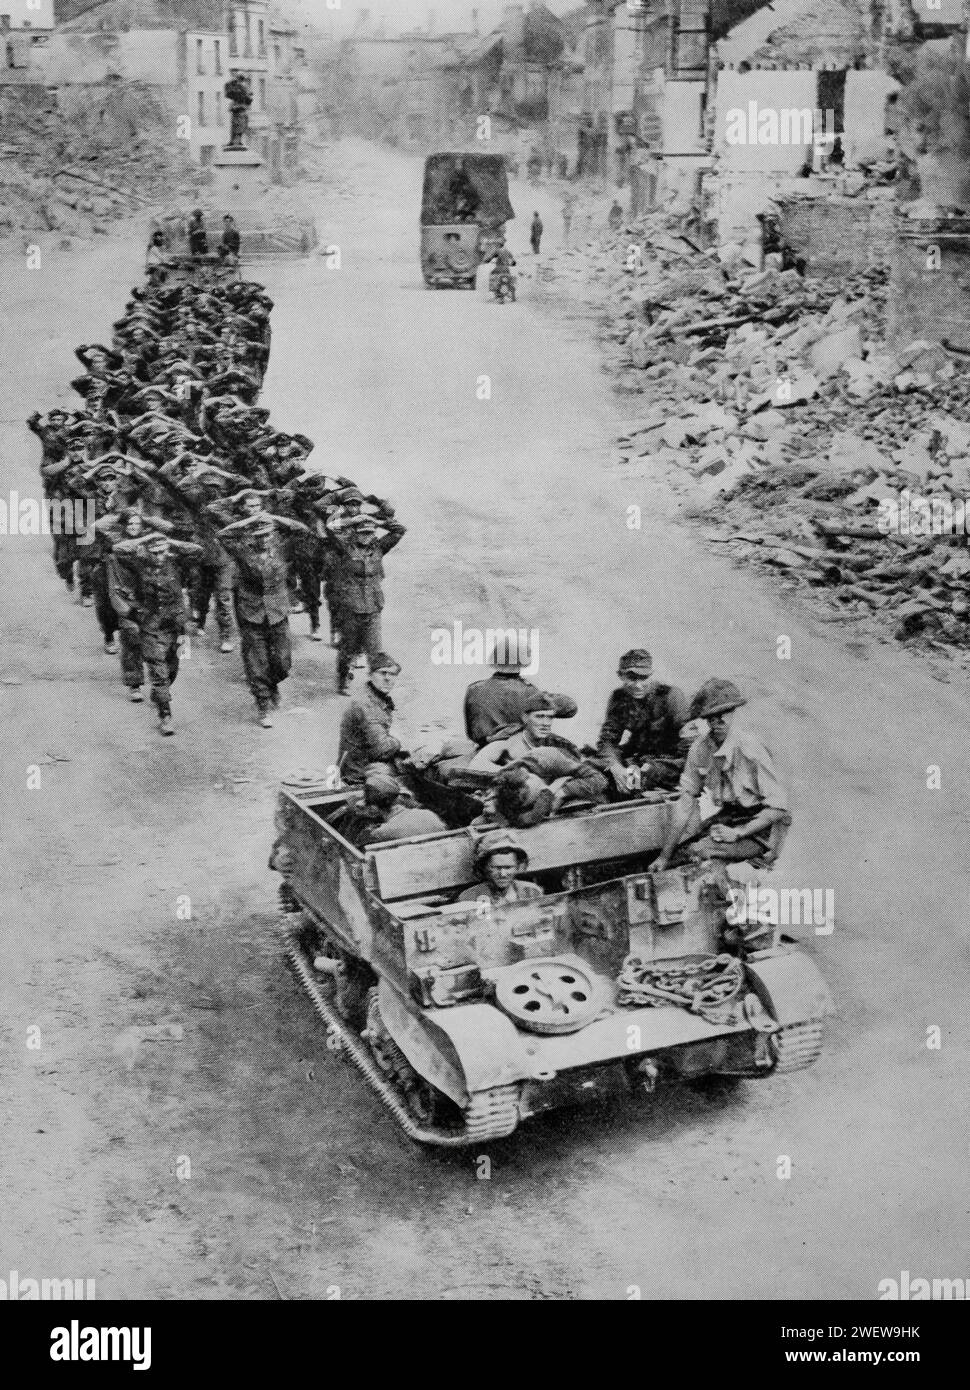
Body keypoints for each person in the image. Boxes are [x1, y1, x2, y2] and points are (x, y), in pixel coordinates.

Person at [653, 680, 792, 871]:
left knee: (697, 852)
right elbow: (684, 805)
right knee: (679, 851)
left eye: (722, 716)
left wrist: (737, 833)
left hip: (763, 829)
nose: (717, 723)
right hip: (730, 816)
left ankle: (733, 883)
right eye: (711, 718)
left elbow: (779, 809)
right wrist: (663, 856)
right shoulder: (700, 749)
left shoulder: (749, 749)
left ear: (732, 712)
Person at [111, 531, 202, 735]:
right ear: (148, 552)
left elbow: (197, 550)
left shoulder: (177, 563)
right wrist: (144, 540)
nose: (159, 556)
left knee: (174, 667)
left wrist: (171, 541)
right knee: (159, 672)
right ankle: (165, 715)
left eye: (162, 552)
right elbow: (118, 550)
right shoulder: (140, 564)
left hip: (178, 625)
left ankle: (160, 692)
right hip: (151, 625)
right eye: (154, 552)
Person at [217, 514, 301, 726]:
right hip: (252, 612)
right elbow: (223, 535)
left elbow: (301, 531)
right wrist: (246, 521)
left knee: (283, 662)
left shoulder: (282, 549)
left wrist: (273, 517)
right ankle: (263, 704)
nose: (263, 539)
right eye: (258, 535)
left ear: (272, 534)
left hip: (277, 611)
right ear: (252, 537)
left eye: (267, 534)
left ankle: (272, 684)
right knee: (256, 661)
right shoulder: (244, 552)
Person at [468, 691, 608, 815]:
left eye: (550, 717)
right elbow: (475, 766)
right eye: (539, 717)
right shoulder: (508, 743)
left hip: (551, 804)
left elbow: (586, 774)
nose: (546, 723)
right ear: (525, 718)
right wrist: (522, 777)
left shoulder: (559, 744)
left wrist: (562, 790)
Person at [327, 506, 406, 694]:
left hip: (373, 607)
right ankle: (343, 678)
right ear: (355, 532)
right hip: (351, 608)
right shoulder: (345, 546)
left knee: (375, 651)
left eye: (370, 533)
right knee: (348, 649)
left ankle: (377, 689)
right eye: (362, 533)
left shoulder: (379, 547)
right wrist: (355, 520)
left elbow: (399, 530)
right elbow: (331, 526)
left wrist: (378, 522)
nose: (366, 536)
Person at [596, 648, 690, 796]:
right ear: (620, 676)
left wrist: (659, 767)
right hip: (638, 761)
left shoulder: (670, 696)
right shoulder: (619, 698)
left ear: (651, 675)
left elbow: (689, 743)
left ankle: (633, 798)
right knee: (593, 768)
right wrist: (615, 766)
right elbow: (607, 741)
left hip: (669, 763)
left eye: (644, 678)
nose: (638, 685)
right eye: (632, 679)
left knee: (634, 781)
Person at [464, 637, 576, 747]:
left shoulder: (473, 689)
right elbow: (570, 708)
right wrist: (545, 697)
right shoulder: (529, 692)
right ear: (524, 660)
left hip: (483, 749)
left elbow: (473, 732)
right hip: (518, 748)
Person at [337, 652, 403, 785]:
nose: (387, 678)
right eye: (382, 673)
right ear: (370, 675)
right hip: (359, 776)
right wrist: (398, 740)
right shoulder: (367, 705)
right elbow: (382, 749)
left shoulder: (372, 694)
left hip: (360, 766)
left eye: (392, 674)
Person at [346, 771, 446, 847]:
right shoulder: (429, 815)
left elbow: (356, 844)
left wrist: (352, 815)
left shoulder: (381, 832)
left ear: (373, 808)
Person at [456, 830, 544, 908]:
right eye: (496, 868)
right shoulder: (470, 898)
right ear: (484, 867)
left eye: (508, 867)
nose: (503, 874)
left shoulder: (531, 892)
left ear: (517, 866)